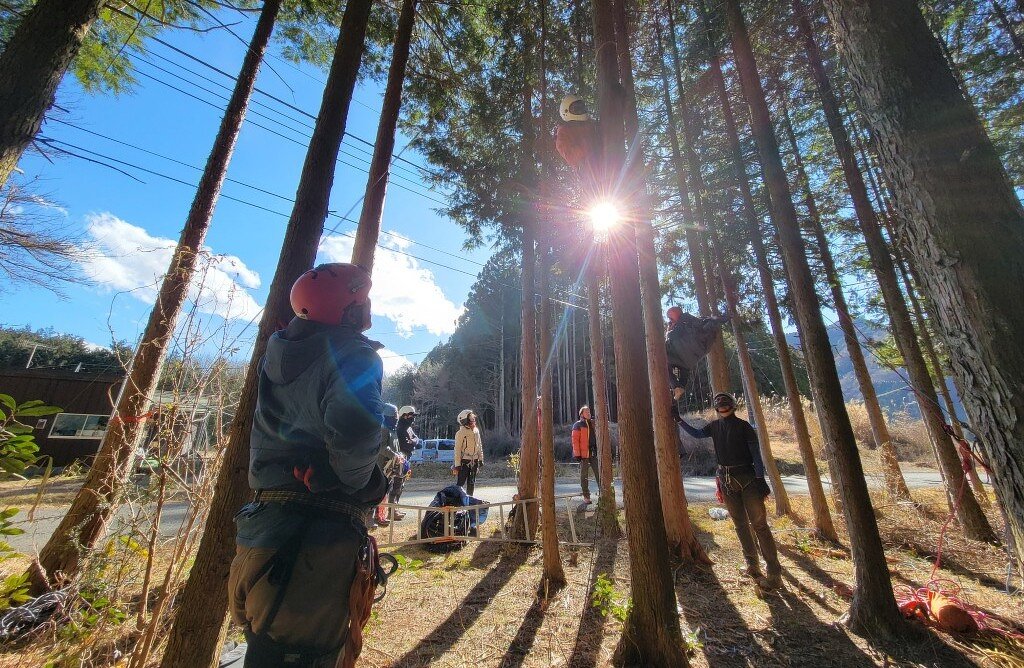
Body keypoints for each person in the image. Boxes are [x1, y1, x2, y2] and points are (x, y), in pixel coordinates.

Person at [228, 262, 388, 666]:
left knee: (266, 654)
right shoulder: (353, 354)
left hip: (261, 530)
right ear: (347, 311)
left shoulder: (276, 356)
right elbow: (357, 430)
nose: (369, 309)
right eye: (363, 300)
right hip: (312, 547)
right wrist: (362, 481)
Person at [677, 392, 782, 590]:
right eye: (720, 405)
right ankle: (752, 565)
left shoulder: (744, 427)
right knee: (740, 524)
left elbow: (756, 455)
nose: (723, 408)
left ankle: (774, 574)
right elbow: (697, 434)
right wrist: (679, 420)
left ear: (732, 406)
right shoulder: (715, 426)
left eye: (725, 404)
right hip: (726, 479)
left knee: (759, 525)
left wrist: (760, 479)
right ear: (717, 408)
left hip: (748, 479)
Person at [665, 306, 729, 414]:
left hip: (684, 352)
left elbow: (673, 336)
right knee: (684, 369)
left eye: (670, 317)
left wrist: (669, 331)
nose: (670, 320)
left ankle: (677, 386)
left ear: (676, 313)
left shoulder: (682, 321)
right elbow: (711, 322)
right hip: (692, 357)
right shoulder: (694, 320)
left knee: (665, 363)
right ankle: (680, 387)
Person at [571, 406, 601, 504]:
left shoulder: (593, 423)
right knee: (584, 476)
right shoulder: (578, 425)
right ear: (581, 414)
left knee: (599, 473)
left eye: (589, 411)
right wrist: (577, 454)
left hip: (594, 453)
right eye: (586, 411)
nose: (588, 413)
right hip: (583, 455)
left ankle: (603, 494)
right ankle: (586, 496)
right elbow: (575, 441)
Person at [454, 409, 484, 495]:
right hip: (464, 461)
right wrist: (457, 464)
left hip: (474, 461)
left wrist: (481, 459)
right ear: (465, 420)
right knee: (460, 484)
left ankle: (470, 501)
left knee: (471, 483)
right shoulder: (460, 433)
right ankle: (458, 501)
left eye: (473, 418)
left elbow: (479, 445)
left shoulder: (476, 430)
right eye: (471, 418)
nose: (473, 419)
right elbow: (457, 449)